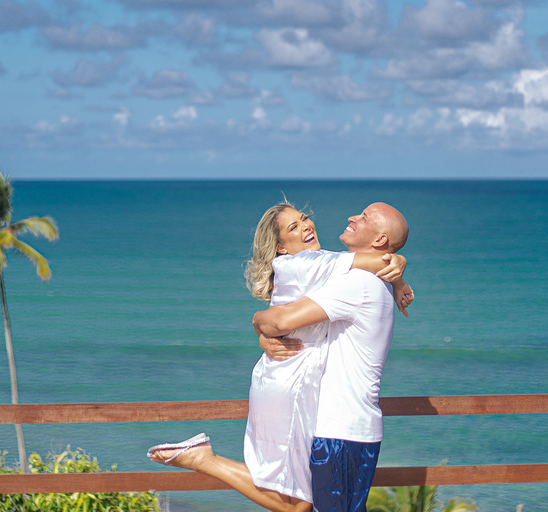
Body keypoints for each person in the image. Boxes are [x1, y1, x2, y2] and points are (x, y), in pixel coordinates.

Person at [147, 202, 412, 512]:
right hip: (332, 423)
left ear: (379, 240)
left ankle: (203, 459)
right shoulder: (339, 273)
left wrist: (260, 324)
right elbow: (292, 322)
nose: (351, 216)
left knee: (299, 505)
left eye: (363, 217)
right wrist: (397, 274)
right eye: (294, 226)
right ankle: (203, 459)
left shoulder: (356, 282)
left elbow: (282, 321)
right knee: (300, 504)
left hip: (340, 429)